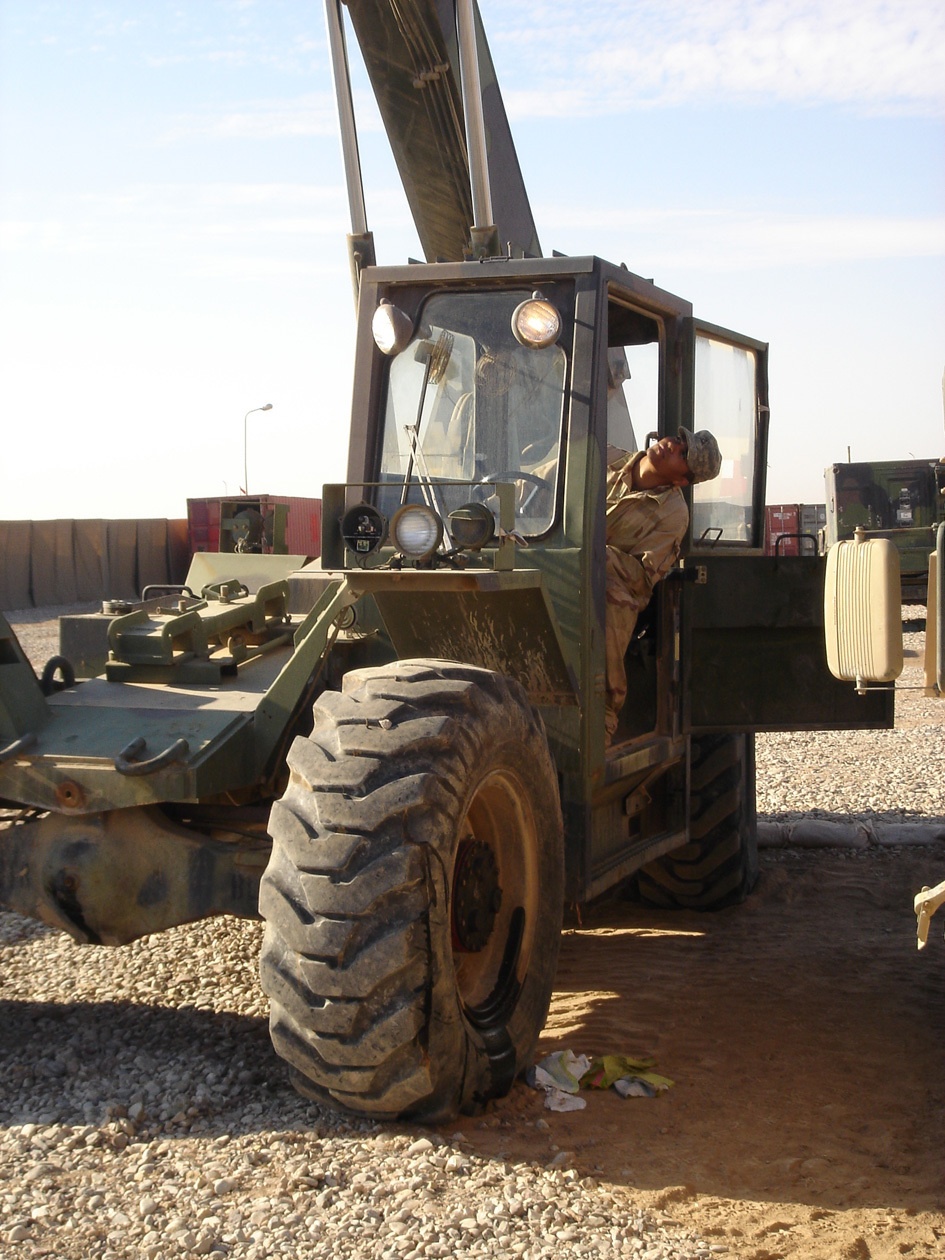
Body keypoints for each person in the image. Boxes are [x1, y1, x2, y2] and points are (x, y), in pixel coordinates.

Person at [605, 428, 722, 744]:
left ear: (682, 481)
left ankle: (600, 718)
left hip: (608, 585)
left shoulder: (673, 515)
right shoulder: (603, 458)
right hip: (541, 553)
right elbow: (539, 483)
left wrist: (592, 555)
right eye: (679, 440)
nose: (672, 446)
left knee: (611, 600)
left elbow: (641, 577)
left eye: (683, 455)